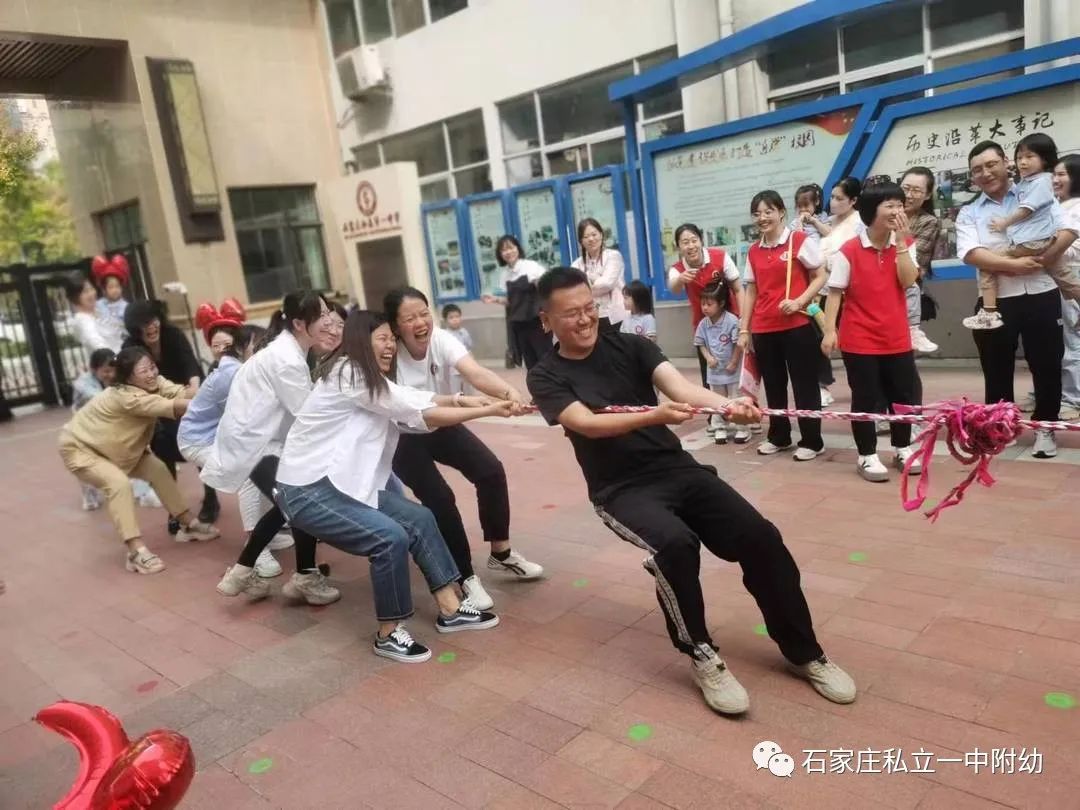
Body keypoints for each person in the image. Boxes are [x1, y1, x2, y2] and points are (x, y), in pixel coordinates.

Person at [528, 266, 856, 715]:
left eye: (590, 308)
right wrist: (653, 416)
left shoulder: (632, 345)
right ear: (546, 320)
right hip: (620, 489)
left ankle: (804, 653)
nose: (585, 320)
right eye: (571, 315)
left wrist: (729, 405)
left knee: (762, 538)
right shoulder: (545, 375)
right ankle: (701, 653)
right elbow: (585, 423)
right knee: (675, 546)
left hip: (677, 468)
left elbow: (681, 387)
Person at [277, 310, 506, 662]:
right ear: (360, 342)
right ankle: (388, 633)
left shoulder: (365, 376)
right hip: (307, 489)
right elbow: (419, 411)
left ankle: (451, 608)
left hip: (343, 483)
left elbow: (413, 396)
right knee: (389, 537)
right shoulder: (350, 373)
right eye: (382, 339)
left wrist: (465, 400)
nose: (389, 346)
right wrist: (489, 410)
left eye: (390, 339)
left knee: (421, 519)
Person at [385, 287, 543, 610]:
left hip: (443, 423)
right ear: (394, 326)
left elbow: (475, 372)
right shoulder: (388, 359)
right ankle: (465, 577)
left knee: (490, 470)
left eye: (424, 313)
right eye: (409, 318)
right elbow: (421, 411)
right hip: (402, 437)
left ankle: (501, 552)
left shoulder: (441, 339)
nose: (421, 323)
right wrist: (485, 408)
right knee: (440, 499)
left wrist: (510, 393)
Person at [205, 291, 339, 604]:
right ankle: (261, 572)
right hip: (257, 445)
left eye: (328, 313)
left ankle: (274, 572)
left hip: (261, 441)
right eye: (321, 315)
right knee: (296, 499)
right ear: (299, 323)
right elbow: (307, 414)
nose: (329, 321)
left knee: (294, 501)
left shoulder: (290, 351)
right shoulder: (287, 360)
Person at [957, 140, 1076, 460]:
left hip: (1041, 292)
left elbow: (1064, 229)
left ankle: (1046, 428)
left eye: (991, 164)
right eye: (977, 169)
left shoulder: (1036, 190)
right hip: (997, 301)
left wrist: (1045, 258)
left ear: (1006, 163)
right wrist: (1015, 264)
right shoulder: (969, 211)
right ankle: (1001, 427)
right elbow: (971, 253)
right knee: (996, 368)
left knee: (1048, 364)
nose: (985, 173)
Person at [58, 346, 219, 574]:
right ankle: (135, 551)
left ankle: (188, 524)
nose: (152, 373)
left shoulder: (154, 383)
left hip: (120, 449)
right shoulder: (125, 397)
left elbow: (180, 393)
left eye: (152, 366)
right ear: (129, 376)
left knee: (159, 471)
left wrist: (210, 389)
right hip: (81, 448)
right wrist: (214, 405)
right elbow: (170, 406)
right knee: (118, 484)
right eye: (144, 370)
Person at [821, 182, 923, 482]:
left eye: (899, 204)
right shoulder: (848, 250)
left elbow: (907, 281)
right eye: (890, 205)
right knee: (864, 398)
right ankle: (867, 455)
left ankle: (903, 448)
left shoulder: (906, 243)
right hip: (859, 339)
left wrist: (902, 243)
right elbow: (835, 294)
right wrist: (829, 331)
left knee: (902, 397)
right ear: (870, 211)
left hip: (897, 337)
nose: (897, 211)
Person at [177, 324, 283, 578]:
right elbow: (241, 419)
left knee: (268, 465)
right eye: (256, 345)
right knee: (248, 474)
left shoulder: (244, 368)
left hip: (220, 436)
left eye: (264, 344)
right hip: (198, 440)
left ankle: (266, 533)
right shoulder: (232, 374)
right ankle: (254, 544)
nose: (261, 350)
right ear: (239, 348)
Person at [738, 190, 827, 461]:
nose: (762, 218)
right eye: (757, 213)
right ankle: (779, 435)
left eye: (768, 212)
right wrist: (745, 328)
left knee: (804, 384)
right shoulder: (754, 250)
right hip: (764, 328)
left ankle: (812, 440)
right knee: (774, 385)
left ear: (781, 213)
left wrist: (799, 300)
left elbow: (821, 276)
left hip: (797, 324)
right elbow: (751, 291)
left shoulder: (799, 241)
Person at [123, 300, 219, 527]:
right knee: (163, 454)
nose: (152, 327)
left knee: (197, 444)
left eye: (154, 320)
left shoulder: (173, 334)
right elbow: (131, 384)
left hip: (186, 396)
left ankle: (211, 498)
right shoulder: (130, 347)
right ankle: (175, 509)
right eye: (145, 324)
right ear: (135, 329)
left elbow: (190, 364)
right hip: (156, 407)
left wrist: (194, 388)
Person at [665, 223, 744, 396]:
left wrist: (743, 321)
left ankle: (746, 413)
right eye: (685, 242)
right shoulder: (678, 269)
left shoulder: (720, 257)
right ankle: (715, 418)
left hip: (731, 323)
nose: (691, 246)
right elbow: (673, 286)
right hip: (705, 328)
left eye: (694, 240)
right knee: (710, 372)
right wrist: (680, 280)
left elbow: (738, 288)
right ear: (679, 247)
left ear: (701, 241)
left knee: (740, 371)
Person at [817, 177, 865, 407]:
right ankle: (822, 385)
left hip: (851, 293)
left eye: (839, 198)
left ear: (853, 200)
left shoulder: (859, 223)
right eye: (832, 197)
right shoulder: (829, 221)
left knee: (853, 347)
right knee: (820, 339)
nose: (833, 202)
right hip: (826, 291)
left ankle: (866, 396)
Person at [483, 235, 550, 370]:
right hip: (519, 325)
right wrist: (494, 299)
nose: (508, 252)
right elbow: (511, 301)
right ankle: (537, 389)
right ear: (500, 254)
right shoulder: (505, 274)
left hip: (537, 322)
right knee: (530, 363)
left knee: (546, 358)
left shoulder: (531, 267)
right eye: (504, 250)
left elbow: (546, 288)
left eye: (511, 248)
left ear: (517, 249)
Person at [694, 281, 747, 445]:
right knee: (716, 399)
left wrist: (733, 361)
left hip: (732, 370)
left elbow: (738, 344)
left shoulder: (732, 321)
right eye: (703, 304)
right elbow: (700, 343)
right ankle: (719, 427)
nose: (705, 308)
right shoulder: (703, 323)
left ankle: (742, 428)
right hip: (715, 372)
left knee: (736, 398)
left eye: (709, 304)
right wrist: (708, 357)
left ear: (721, 303)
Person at [899, 168, 942, 354]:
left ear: (927, 195)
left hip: (905, 289)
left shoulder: (928, 221)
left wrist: (902, 233)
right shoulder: (882, 213)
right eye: (905, 188)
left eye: (916, 190)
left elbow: (917, 262)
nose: (908, 195)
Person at [1051, 154, 1080, 422]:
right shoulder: (1055, 206)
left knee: (1072, 341)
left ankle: (1073, 398)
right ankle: (1050, 393)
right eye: (1054, 174)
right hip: (1049, 279)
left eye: (1063, 174)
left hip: (1071, 279)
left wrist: (1051, 249)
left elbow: (1074, 250)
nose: (1056, 179)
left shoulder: (1077, 207)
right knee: (1051, 341)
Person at [71, 348, 117, 511]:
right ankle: (89, 493)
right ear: (93, 369)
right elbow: (98, 398)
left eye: (113, 370)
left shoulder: (115, 378)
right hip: (84, 428)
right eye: (106, 371)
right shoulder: (83, 383)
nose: (110, 374)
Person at [570, 218, 627, 332]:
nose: (591, 239)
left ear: (601, 235)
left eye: (594, 234)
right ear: (581, 241)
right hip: (590, 317)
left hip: (614, 316)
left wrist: (587, 284)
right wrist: (597, 280)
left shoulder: (613, 256)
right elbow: (574, 290)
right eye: (586, 237)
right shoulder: (576, 264)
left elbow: (607, 283)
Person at [66, 274, 122, 354]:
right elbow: (97, 344)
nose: (91, 294)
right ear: (75, 297)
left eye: (91, 289)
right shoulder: (82, 320)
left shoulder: (99, 310)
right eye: (85, 292)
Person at [92, 258, 129, 351]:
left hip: (121, 344)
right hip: (105, 344)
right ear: (104, 290)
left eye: (117, 286)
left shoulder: (126, 306)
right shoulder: (98, 305)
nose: (115, 290)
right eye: (111, 287)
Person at [442, 303, 473, 394]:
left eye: (457, 316)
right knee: (455, 391)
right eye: (451, 317)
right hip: (452, 370)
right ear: (445, 320)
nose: (455, 320)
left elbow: (469, 349)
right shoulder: (444, 335)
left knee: (468, 390)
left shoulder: (464, 333)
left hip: (465, 368)